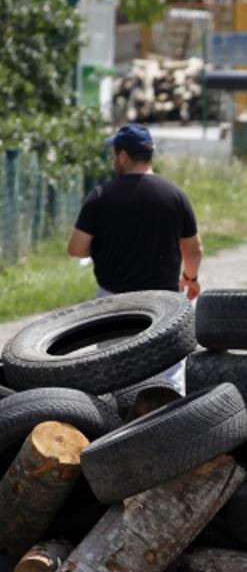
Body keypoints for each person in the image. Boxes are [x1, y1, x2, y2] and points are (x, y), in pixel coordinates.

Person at [67, 124, 202, 390]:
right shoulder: (174, 195)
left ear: (124, 156)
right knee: (168, 378)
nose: (113, 159)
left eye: (114, 154)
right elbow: (194, 248)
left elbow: (76, 248)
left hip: (114, 303)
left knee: (115, 378)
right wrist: (190, 277)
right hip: (164, 302)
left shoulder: (101, 196)